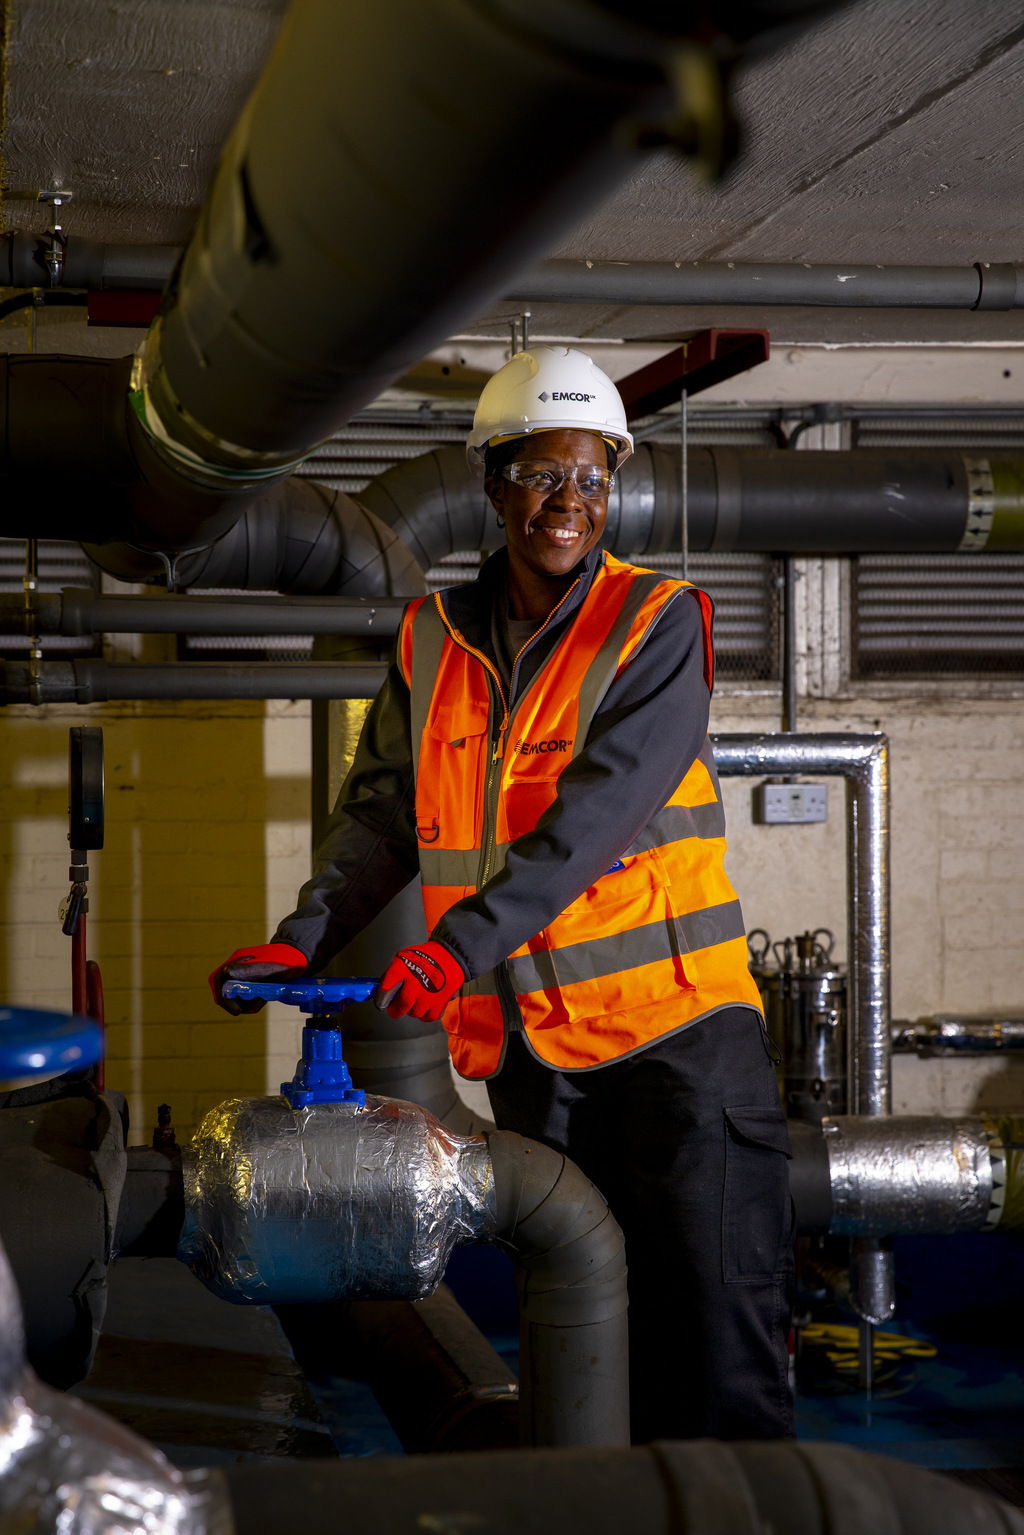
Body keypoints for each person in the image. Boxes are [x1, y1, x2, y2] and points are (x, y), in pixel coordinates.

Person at [210, 346, 794, 1443]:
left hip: (676, 1037)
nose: (567, 502)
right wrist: (303, 939)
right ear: (492, 486)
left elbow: (593, 820)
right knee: (578, 1321)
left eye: (590, 479)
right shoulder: (432, 639)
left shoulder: (656, 622)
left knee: (716, 1327)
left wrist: (455, 945)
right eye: (540, 475)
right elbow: (382, 811)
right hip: (534, 1046)